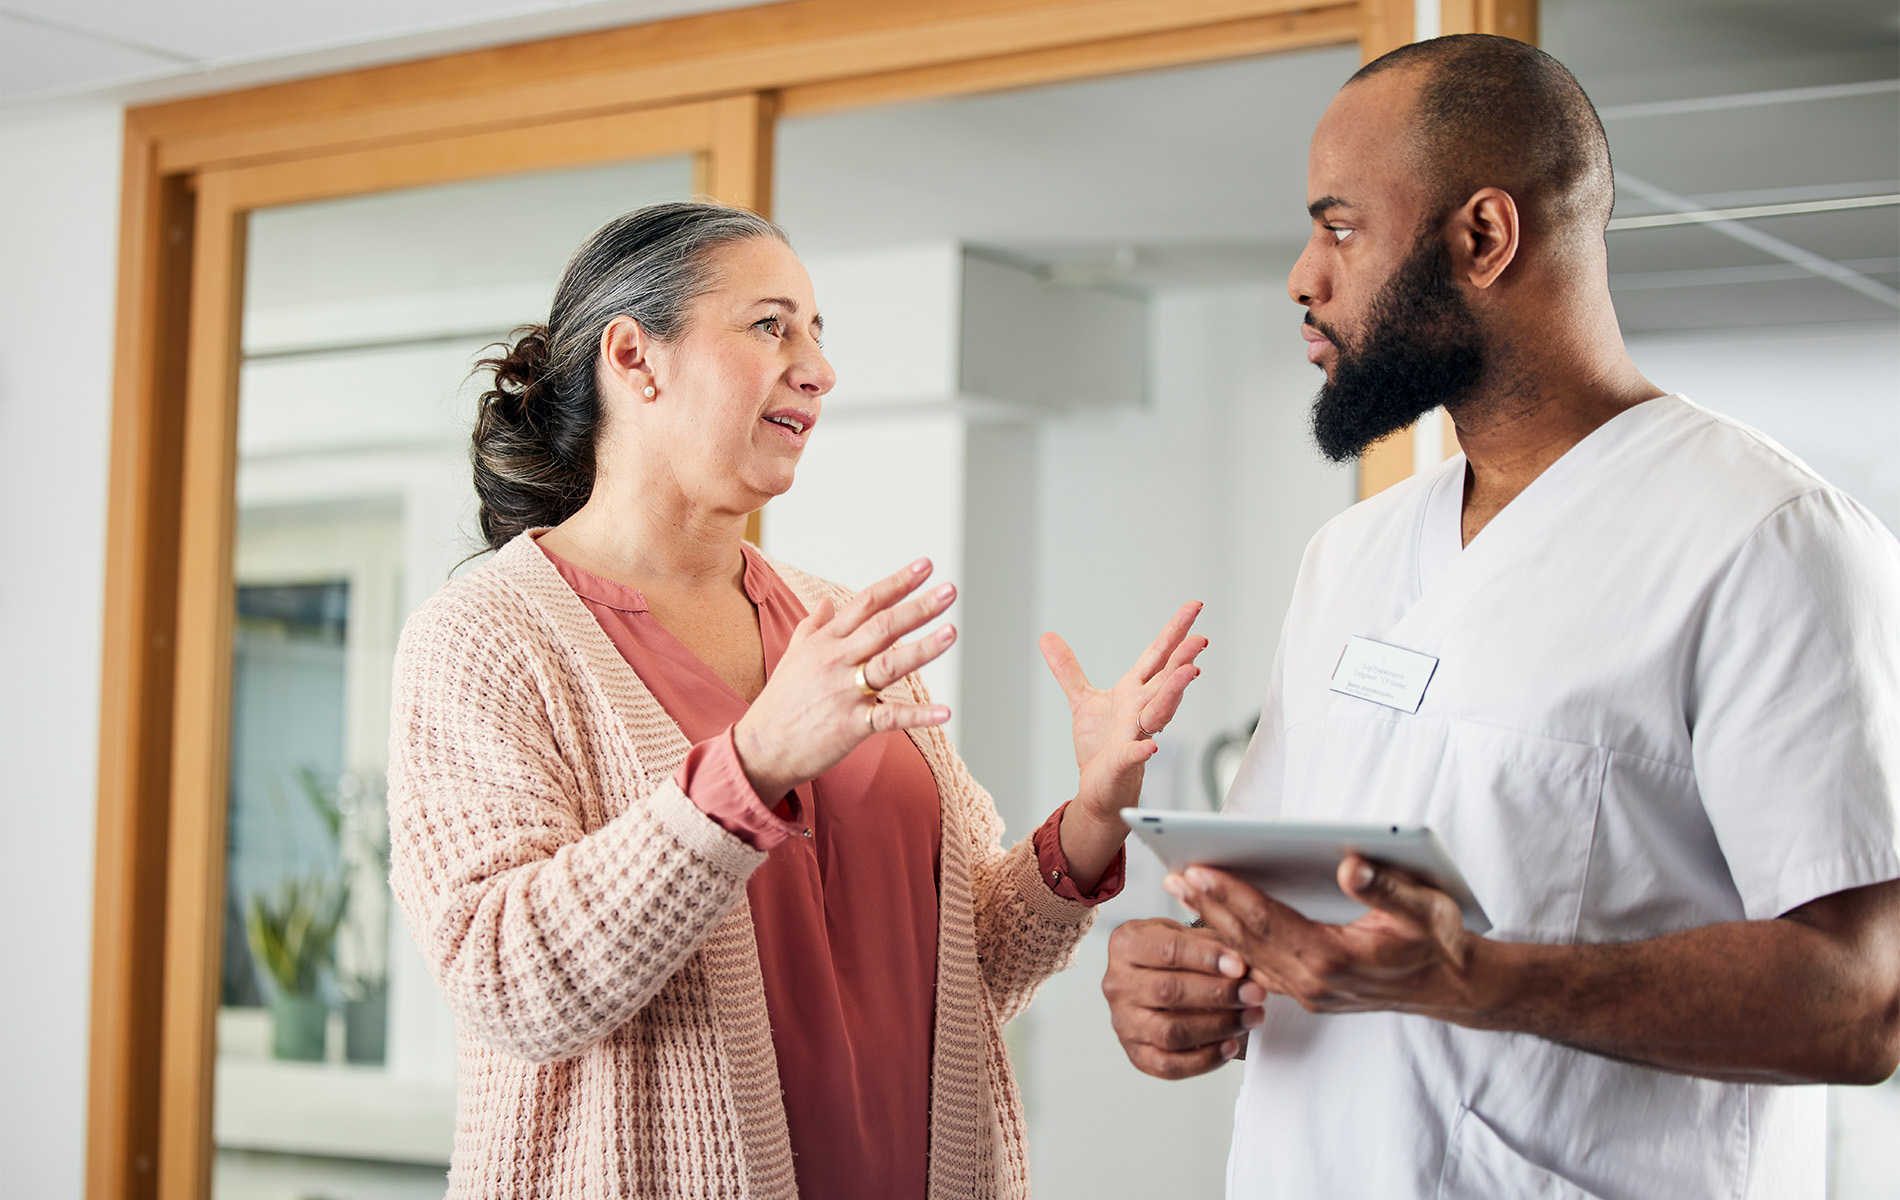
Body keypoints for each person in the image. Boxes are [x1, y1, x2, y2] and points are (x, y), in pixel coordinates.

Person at [1101, 34, 1900, 1199]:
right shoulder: (1353, 554)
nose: (1301, 278)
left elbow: (1861, 1000)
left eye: (1337, 227)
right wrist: (1178, 978)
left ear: (1482, 236)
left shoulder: (1767, 539)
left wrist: (1472, 977)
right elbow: (1275, 912)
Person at [386, 200, 1207, 1198]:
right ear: (636, 358)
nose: (817, 368)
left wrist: (1090, 814)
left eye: (818, 333)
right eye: (771, 325)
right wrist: (749, 767)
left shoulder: (835, 625)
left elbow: (964, 970)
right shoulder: (484, 635)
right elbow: (507, 983)